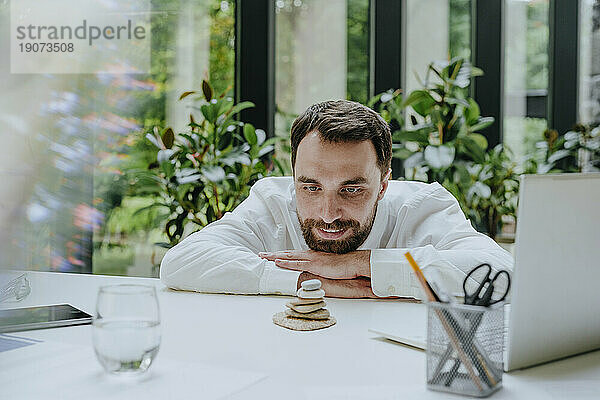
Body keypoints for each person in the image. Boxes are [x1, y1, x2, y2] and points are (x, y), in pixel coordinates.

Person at [160, 100, 513, 298]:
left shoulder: (424, 206)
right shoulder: (271, 199)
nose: (328, 214)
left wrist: (360, 264)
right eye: (310, 187)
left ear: (384, 184)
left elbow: (504, 274)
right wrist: (306, 279)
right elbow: (180, 262)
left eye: (352, 189)